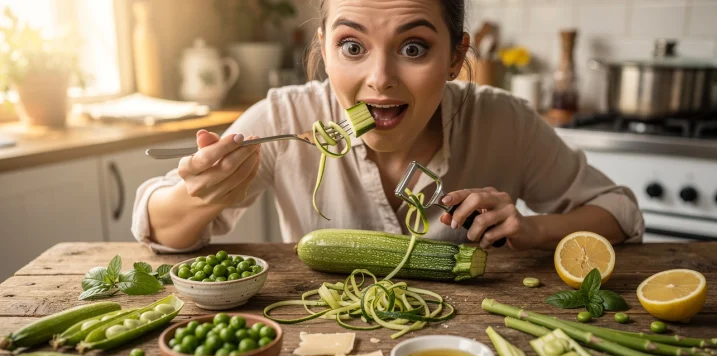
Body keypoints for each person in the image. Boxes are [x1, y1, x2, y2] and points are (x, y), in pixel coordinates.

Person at [132, 0, 644, 254]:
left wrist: (531, 230)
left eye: (414, 48)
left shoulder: (502, 119)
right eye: (352, 47)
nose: (379, 80)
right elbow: (157, 227)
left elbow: (619, 212)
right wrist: (202, 192)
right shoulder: (287, 118)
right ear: (322, 51)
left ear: (455, 56)